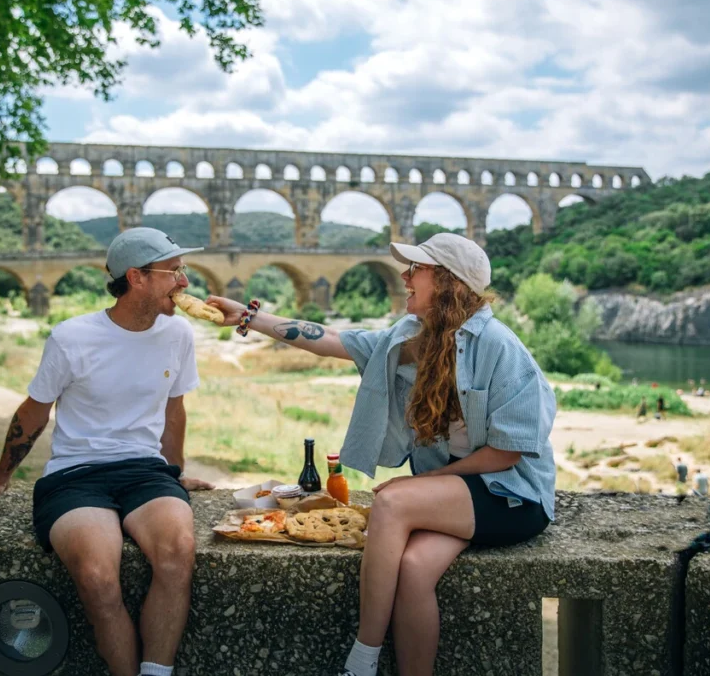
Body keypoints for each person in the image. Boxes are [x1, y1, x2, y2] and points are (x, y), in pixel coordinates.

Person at [208, 233, 556, 676]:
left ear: (448, 282)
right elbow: (331, 339)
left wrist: (418, 485)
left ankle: (362, 660)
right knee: (412, 571)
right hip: (456, 496)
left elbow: (505, 455)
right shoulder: (408, 338)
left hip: (510, 496)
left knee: (391, 501)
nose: (405, 277)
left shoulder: (500, 347)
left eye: (418, 269)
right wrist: (249, 318)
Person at [0, 228, 214, 676]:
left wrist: (174, 471)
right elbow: (33, 413)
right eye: (174, 272)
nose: (184, 283)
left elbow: (174, 407)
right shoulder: (71, 338)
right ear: (136, 277)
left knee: (179, 550)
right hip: (75, 475)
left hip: (145, 471)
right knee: (99, 579)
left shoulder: (178, 334)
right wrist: (2, 477)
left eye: (183, 271)